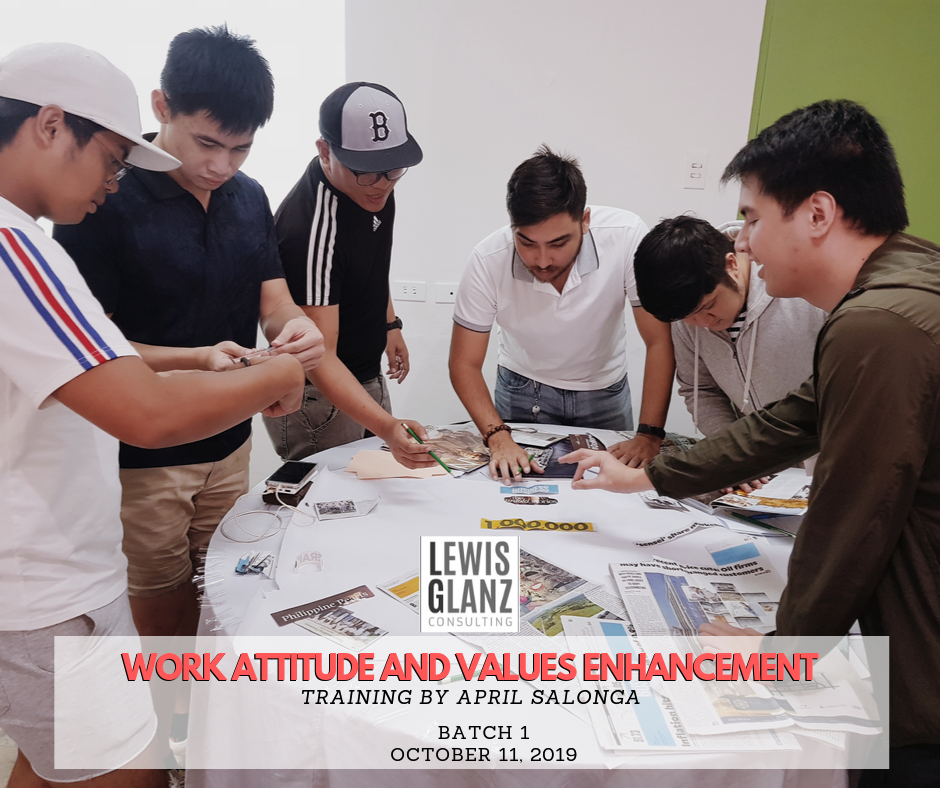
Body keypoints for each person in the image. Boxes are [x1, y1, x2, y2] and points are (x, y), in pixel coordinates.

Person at [561, 99, 940, 784]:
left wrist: (781, 653)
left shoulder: (877, 325)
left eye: (753, 217)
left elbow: (852, 516)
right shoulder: (903, 281)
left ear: (817, 214)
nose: (744, 243)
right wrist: (649, 475)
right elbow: (787, 423)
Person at [0, 42, 304, 788]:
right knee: (132, 770)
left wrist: (203, 357)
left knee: (56, 764)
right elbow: (146, 413)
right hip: (40, 584)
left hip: (55, 575)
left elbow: (91, 354)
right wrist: (282, 371)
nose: (111, 182)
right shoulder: (16, 249)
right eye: (110, 159)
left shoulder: (22, 244)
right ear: (50, 125)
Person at [55, 26, 325, 641]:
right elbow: (90, 344)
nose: (220, 166)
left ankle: (205, 699)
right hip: (141, 456)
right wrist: (198, 359)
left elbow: (274, 301)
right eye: (206, 143)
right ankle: (167, 699)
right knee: (158, 598)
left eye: (240, 150)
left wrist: (297, 330)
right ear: (161, 107)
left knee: (226, 584)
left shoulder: (248, 198)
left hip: (230, 440)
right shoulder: (101, 196)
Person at [449, 145, 674, 481]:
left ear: (585, 221)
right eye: (527, 243)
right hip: (522, 389)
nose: (542, 261)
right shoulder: (488, 258)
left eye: (557, 244)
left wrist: (650, 434)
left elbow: (659, 340)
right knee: (511, 489)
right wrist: (497, 436)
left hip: (605, 391)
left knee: (611, 490)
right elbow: (463, 363)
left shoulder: (627, 237)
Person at [263, 81, 436, 469]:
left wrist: (390, 324)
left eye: (394, 170)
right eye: (367, 173)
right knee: (328, 499)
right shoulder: (310, 228)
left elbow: (372, 261)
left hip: (363, 374)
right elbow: (318, 357)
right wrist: (387, 426)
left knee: (380, 488)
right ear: (325, 152)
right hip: (318, 399)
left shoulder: (373, 188)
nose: (383, 185)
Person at [633, 214, 826, 436]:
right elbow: (702, 390)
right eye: (689, 317)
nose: (704, 323)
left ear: (731, 265)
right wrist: (734, 446)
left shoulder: (798, 291)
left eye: (708, 306)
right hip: (758, 451)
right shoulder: (684, 310)